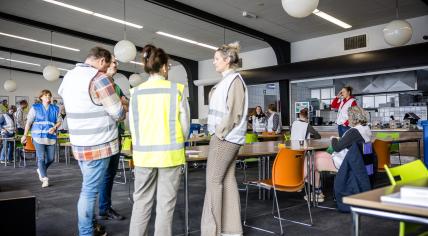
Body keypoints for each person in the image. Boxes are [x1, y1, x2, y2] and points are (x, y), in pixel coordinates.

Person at [58, 46, 128, 236]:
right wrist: (118, 107)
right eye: (108, 64)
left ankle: (92, 225)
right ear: (102, 61)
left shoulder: (69, 77)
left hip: (79, 143)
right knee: (89, 192)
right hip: (98, 144)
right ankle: (86, 232)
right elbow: (118, 113)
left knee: (90, 188)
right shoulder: (99, 78)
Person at [129, 44, 189, 236]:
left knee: (141, 202)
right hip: (170, 156)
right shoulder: (176, 90)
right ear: (164, 67)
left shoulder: (135, 93)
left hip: (143, 157)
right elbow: (185, 127)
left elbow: (132, 126)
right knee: (165, 205)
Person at [202, 42, 247, 236]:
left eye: (216, 59)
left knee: (212, 181)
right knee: (226, 180)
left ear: (227, 60)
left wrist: (219, 133)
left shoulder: (234, 80)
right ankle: (231, 230)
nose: (213, 62)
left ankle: (211, 231)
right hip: (227, 137)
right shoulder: (227, 81)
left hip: (224, 138)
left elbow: (234, 112)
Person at [303, 106, 372, 202]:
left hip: (344, 163)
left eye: (349, 116)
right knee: (314, 158)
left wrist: (333, 138)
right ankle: (316, 190)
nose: (348, 119)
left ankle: (310, 187)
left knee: (311, 159)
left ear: (353, 117)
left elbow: (337, 147)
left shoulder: (354, 131)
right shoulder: (366, 129)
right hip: (356, 162)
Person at [96, 56, 125, 221]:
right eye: (113, 62)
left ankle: (104, 208)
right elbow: (119, 107)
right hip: (105, 134)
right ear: (104, 64)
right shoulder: (100, 84)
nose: (116, 64)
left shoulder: (115, 85)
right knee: (104, 175)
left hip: (116, 133)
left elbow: (125, 104)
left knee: (109, 174)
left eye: (116, 62)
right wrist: (120, 104)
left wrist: (121, 104)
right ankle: (103, 209)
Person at [21, 90, 62, 188]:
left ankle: (40, 169)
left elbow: (59, 121)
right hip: (38, 136)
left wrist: (54, 127)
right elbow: (29, 122)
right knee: (41, 158)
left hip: (50, 136)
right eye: (45, 95)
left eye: (49, 95)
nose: (48, 97)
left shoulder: (56, 108)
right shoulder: (35, 108)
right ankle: (45, 178)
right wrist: (24, 135)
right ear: (41, 97)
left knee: (51, 158)